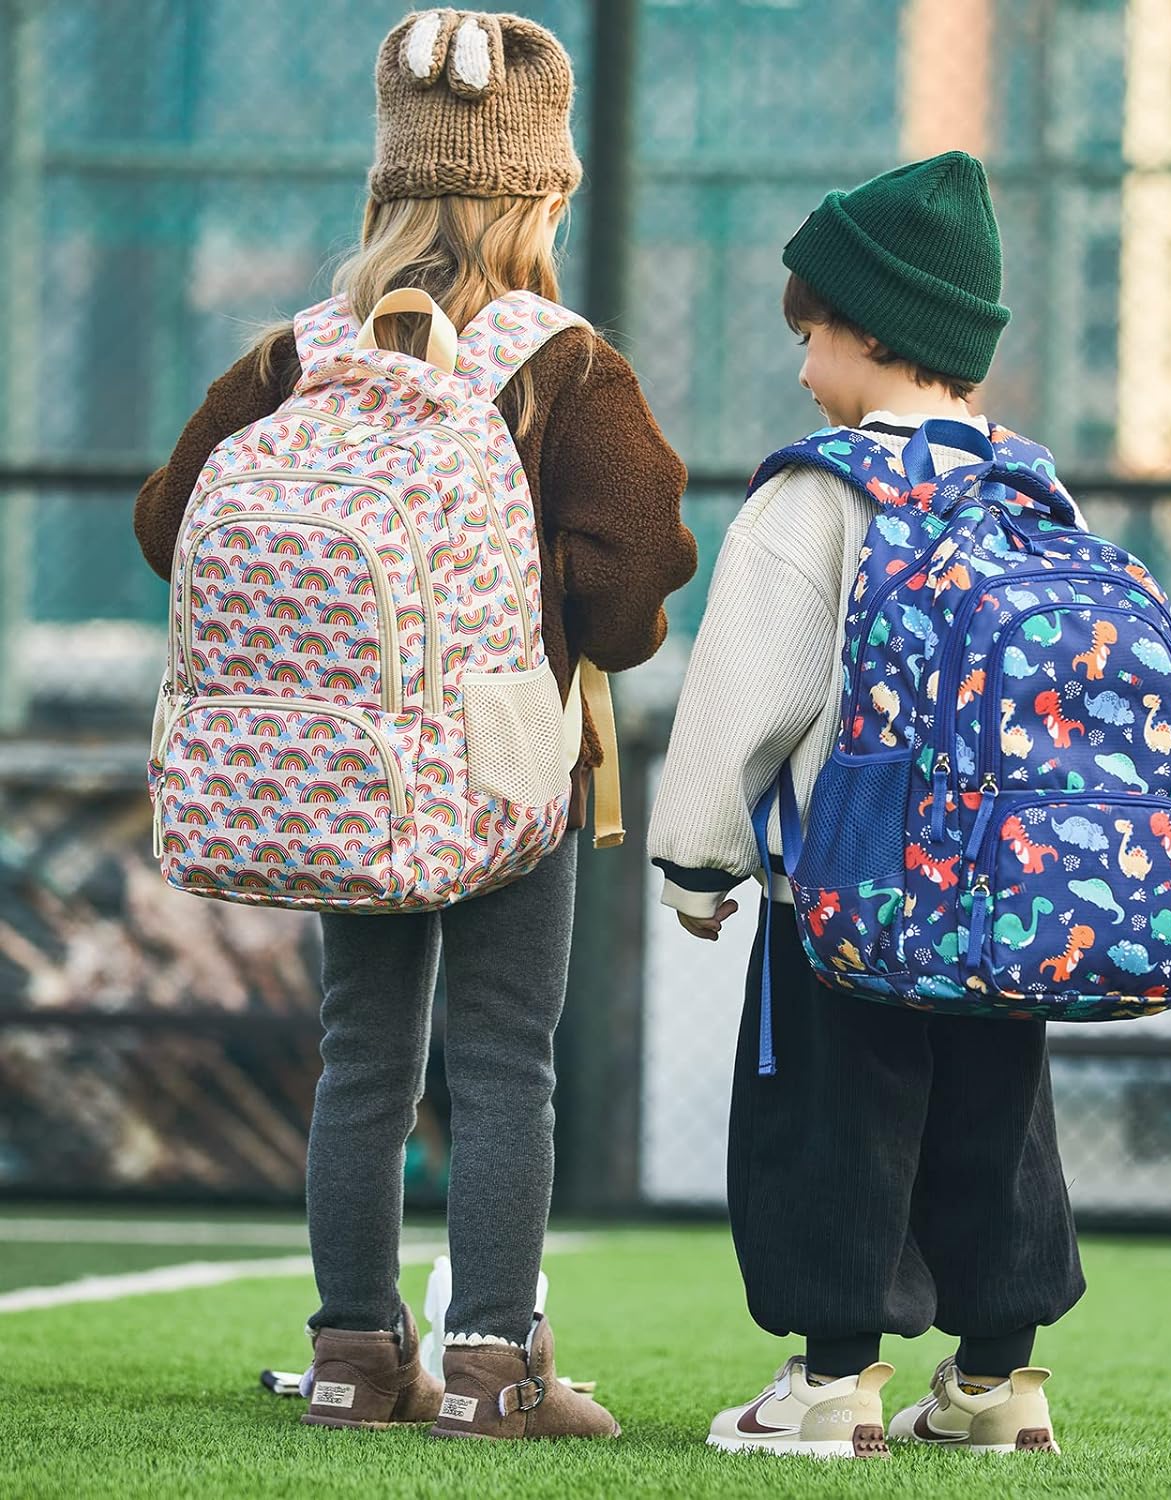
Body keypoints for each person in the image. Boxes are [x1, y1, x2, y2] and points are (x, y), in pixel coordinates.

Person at [135, 9, 695, 1441]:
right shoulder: (562, 362)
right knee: (505, 1056)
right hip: (508, 753)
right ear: (540, 190)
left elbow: (164, 524)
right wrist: (537, 609)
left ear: (388, 182)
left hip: (339, 761)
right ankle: (499, 1366)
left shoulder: (302, 350)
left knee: (363, 1053)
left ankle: (352, 1357)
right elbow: (631, 595)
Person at [649, 151, 1085, 1459]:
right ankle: (999, 1385)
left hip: (844, 884)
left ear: (878, 328)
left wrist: (699, 859)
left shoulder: (817, 487)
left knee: (830, 1122)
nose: (800, 364)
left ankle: (833, 1385)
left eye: (813, 331)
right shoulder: (1028, 482)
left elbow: (746, 688)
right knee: (994, 1124)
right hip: (1001, 888)